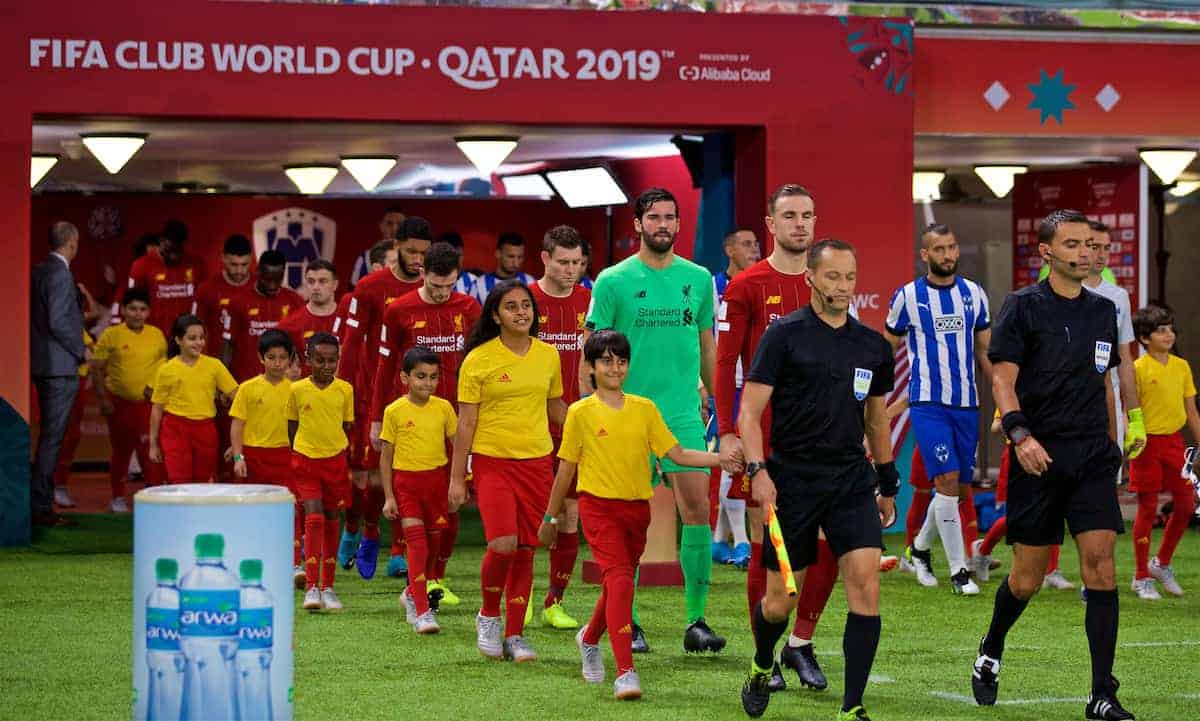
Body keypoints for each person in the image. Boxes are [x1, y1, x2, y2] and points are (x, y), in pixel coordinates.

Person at [971, 209, 1142, 720]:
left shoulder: (1104, 311)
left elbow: (1106, 384)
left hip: (1092, 456)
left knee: (1102, 568)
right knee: (1027, 578)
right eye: (1072, 244)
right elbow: (1002, 379)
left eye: (1090, 244)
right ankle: (991, 647)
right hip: (1038, 456)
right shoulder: (1022, 307)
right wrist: (1019, 433)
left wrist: (1122, 438)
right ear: (1046, 252)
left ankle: (1101, 694)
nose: (1085, 252)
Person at [737, 238, 897, 721]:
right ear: (809, 277)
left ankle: (853, 706)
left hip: (850, 480)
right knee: (780, 599)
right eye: (832, 277)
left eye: (850, 277)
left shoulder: (871, 345)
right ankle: (763, 662)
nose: (843, 287)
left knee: (866, 585)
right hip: (792, 483)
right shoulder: (784, 336)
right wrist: (758, 471)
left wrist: (887, 482)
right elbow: (749, 414)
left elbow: (877, 420)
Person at [539, 330, 731, 700]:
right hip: (598, 509)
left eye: (621, 361)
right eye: (606, 361)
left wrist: (718, 458)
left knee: (617, 581)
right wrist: (550, 519)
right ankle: (625, 672)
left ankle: (589, 638)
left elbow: (677, 455)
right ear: (591, 367)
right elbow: (565, 470)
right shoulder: (579, 412)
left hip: (635, 512)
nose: (615, 368)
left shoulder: (644, 409)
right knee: (623, 581)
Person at [584, 187, 724, 655]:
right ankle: (632, 622)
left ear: (679, 225)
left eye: (670, 217)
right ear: (638, 224)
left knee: (698, 510)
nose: (663, 224)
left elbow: (707, 346)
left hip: (683, 413)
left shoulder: (699, 278)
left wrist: (720, 404)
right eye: (654, 217)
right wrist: (592, 413)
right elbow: (592, 353)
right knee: (628, 520)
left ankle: (696, 621)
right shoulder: (612, 281)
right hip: (626, 414)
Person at [717, 185, 838, 688]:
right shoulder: (746, 284)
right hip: (766, 436)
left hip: (829, 436)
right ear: (770, 225)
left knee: (829, 544)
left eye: (808, 215)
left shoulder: (828, 280)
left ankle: (801, 644)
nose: (800, 225)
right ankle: (764, 653)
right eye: (789, 216)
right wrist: (728, 432)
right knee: (772, 544)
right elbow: (725, 365)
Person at [449, 280, 566, 663]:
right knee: (502, 544)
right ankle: (488, 616)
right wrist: (456, 477)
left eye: (526, 306)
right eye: (511, 307)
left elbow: (556, 409)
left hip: (537, 463)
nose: (521, 313)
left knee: (527, 548)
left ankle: (515, 634)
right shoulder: (478, 360)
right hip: (492, 462)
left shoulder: (548, 356)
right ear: (496, 315)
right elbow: (466, 423)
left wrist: (598, 427)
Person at [362, 242, 479, 588]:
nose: (443, 293)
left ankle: (436, 579)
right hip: (413, 422)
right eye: (436, 285)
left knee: (454, 501)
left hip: (458, 421)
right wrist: (376, 417)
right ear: (422, 274)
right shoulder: (399, 309)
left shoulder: (470, 307)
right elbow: (385, 367)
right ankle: (414, 571)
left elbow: (480, 364)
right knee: (413, 499)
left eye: (450, 285)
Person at [885, 222, 992, 595]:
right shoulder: (908, 297)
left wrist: (1005, 399)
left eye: (951, 247)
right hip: (928, 403)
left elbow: (984, 352)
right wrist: (875, 402)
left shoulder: (975, 295)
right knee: (944, 482)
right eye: (939, 249)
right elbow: (887, 349)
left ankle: (919, 549)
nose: (947, 255)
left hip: (967, 404)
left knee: (958, 489)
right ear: (925, 255)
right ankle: (959, 571)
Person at [338, 219, 431, 576]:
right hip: (371, 396)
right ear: (396, 246)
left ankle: (396, 551)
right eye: (411, 252)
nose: (418, 260)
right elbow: (349, 345)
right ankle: (360, 529)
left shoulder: (431, 287)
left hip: (417, 398)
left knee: (410, 475)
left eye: (424, 253)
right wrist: (342, 394)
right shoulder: (370, 287)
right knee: (371, 479)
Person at [528, 225, 591, 630]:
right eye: (563, 262)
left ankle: (554, 601)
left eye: (577, 263)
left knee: (570, 517)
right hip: (531, 427)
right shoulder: (523, 302)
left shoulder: (591, 300)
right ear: (545, 258)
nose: (571, 270)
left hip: (577, 428)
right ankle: (522, 595)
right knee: (530, 518)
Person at [380, 347, 458, 634]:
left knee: (433, 545)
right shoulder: (394, 411)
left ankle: (412, 593)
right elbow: (386, 456)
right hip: (406, 484)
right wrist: (389, 495)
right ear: (405, 377)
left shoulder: (444, 408)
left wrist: (457, 482)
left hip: (436, 484)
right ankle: (423, 611)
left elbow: (457, 445)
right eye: (421, 377)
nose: (427, 383)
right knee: (418, 543)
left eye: (433, 377)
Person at [1128, 305, 1198, 599]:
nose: (1169, 334)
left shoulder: (1182, 366)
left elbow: (1191, 412)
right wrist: (1130, 439)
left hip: (1175, 445)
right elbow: (1129, 410)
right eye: (1161, 330)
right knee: (1147, 508)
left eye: (1170, 328)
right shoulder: (1136, 369)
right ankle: (1141, 575)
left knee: (1185, 503)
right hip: (1147, 445)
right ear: (1145, 338)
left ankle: (1161, 563)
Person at [289, 332, 355, 612]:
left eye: (332, 361)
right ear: (307, 360)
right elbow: (291, 426)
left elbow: (346, 425)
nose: (326, 366)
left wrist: (332, 447)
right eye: (319, 360)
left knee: (330, 520)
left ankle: (329, 586)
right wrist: (303, 450)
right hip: (305, 460)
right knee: (313, 517)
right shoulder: (297, 390)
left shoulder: (345, 390)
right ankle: (312, 586)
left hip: (335, 462)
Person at [971, 412, 1072, 590]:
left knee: (1054, 510)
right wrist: (1018, 430)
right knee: (1017, 518)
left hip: (1051, 452)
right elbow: (995, 426)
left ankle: (1051, 572)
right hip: (1018, 458)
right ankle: (982, 551)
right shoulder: (1014, 390)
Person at [30, 221, 87, 528]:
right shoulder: (61, 273)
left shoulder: (39, 270)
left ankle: (39, 503)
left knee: (48, 438)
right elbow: (57, 321)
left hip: (42, 364)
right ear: (73, 243)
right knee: (53, 439)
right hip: (60, 366)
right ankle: (41, 508)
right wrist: (81, 350)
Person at [711, 227, 760, 567]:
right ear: (729, 249)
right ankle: (743, 543)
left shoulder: (760, 283)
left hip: (760, 386)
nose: (754, 249)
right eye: (746, 244)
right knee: (734, 460)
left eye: (756, 244)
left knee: (748, 460)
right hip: (730, 385)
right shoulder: (710, 287)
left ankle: (718, 539)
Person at [228, 329, 296, 575]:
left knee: (285, 511)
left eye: (282, 357)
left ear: (290, 359)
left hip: (285, 457)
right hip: (254, 457)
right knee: (250, 509)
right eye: (271, 357)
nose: (277, 363)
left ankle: (285, 560)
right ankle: (246, 556)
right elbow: (237, 424)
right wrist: (238, 456)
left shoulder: (296, 390)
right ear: (261, 358)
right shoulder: (247, 388)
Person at [92, 288, 167, 507]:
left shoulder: (156, 335)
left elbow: (164, 367)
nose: (137, 314)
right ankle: (117, 497)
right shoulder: (111, 335)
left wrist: (156, 390)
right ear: (123, 310)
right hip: (119, 404)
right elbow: (96, 369)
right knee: (121, 451)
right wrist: (103, 400)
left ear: (149, 312)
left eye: (142, 309)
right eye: (132, 309)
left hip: (147, 406)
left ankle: (152, 496)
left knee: (150, 450)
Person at [148, 314, 238, 483]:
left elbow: (238, 397)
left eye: (201, 338)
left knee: (204, 482)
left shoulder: (214, 365)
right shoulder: (166, 369)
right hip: (175, 429)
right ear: (178, 340)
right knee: (178, 481)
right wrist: (153, 444)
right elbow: (157, 408)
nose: (199, 343)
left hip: (205, 430)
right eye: (192, 338)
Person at [1081, 221, 1139, 458]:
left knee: (1107, 482)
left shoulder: (1119, 297)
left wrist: (1135, 415)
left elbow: (1125, 357)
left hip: (1109, 399)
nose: (1101, 254)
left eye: (1107, 248)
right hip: (1066, 400)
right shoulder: (1061, 292)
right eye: (1095, 246)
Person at [222, 250, 303, 383]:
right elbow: (228, 344)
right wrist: (224, 382)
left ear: (283, 274)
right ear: (258, 271)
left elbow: (300, 346)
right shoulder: (238, 302)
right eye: (268, 279)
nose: (272, 285)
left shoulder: (295, 301)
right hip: (246, 382)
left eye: (277, 280)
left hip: (283, 384)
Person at [126, 219, 207, 337]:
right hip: (153, 336)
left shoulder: (196, 263)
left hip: (186, 338)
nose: (173, 256)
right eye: (169, 250)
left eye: (178, 251)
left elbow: (203, 301)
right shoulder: (141, 265)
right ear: (161, 241)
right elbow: (132, 303)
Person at [278, 259, 340, 379]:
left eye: (322, 281)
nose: (316, 287)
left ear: (335, 285)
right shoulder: (288, 326)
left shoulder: (350, 321)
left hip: (345, 394)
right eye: (311, 282)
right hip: (305, 395)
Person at [194, 234, 253, 356]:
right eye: (234, 265)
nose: (239, 271)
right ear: (223, 258)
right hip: (216, 362)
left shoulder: (259, 287)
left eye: (244, 264)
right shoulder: (207, 289)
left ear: (251, 259)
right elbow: (194, 328)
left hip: (252, 367)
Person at [469, 232, 535, 304]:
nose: (516, 263)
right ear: (498, 254)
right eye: (511, 256)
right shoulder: (479, 285)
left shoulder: (530, 282)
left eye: (520, 257)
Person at [351, 207, 406, 288]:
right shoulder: (366, 258)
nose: (395, 229)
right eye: (389, 223)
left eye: (400, 224)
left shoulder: (415, 256)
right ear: (381, 226)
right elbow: (354, 289)